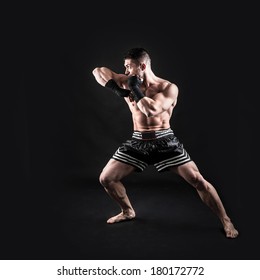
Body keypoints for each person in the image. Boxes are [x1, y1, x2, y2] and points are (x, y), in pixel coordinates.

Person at [92, 47, 239, 238]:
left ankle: (226, 221)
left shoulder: (168, 87)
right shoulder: (127, 82)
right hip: (138, 141)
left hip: (165, 141)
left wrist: (134, 88)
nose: (126, 71)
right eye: (125, 67)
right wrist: (117, 90)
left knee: (197, 180)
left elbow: (151, 110)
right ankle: (128, 211)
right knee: (106, 179)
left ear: (142, 66)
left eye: (129, 67)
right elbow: (98, 71)